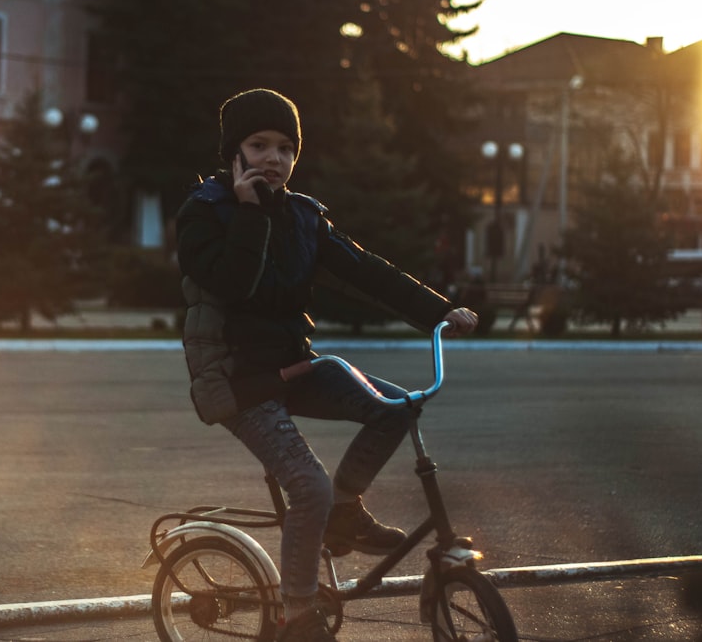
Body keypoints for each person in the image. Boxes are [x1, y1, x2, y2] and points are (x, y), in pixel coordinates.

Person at [176, 88, 477, 641]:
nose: (274, 158)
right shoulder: (204, 213)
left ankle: (344, 507)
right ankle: (296, 615)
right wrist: (248, 213)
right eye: (259, 144)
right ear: (233, 153)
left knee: (398, 408)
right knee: (306, 487)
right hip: (237, 380)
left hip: (294, 366)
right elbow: (232, 285)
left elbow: (366, 271)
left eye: (286, 147)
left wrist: (439, 310)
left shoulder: (302, 217)